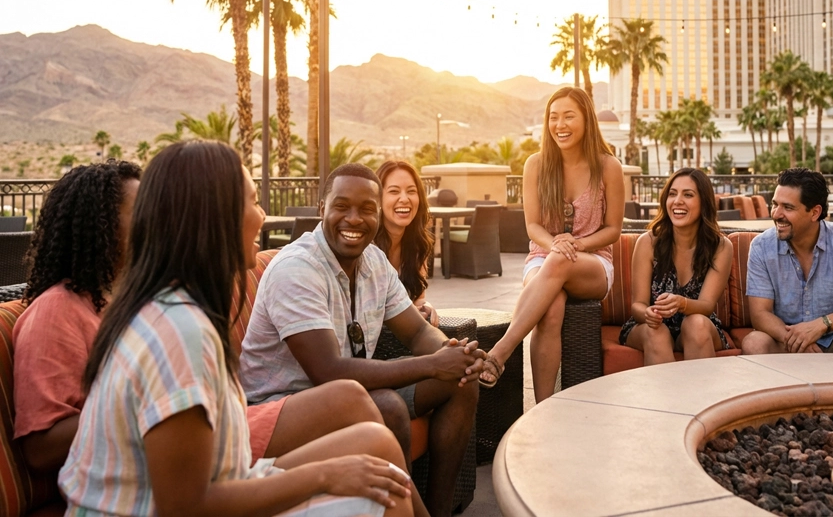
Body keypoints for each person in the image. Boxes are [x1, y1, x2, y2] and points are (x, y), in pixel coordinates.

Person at [60, 141, 414, 517]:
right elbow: (186, 507)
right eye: (253, 201)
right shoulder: (180, 333)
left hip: (228, 479)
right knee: (382, 493)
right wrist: (325, 475)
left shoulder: (174, 306)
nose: (262, 215)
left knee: (376, 443)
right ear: (214, 216)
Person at [239, 163, 484, 517]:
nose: (354, 219)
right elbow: (328, 371)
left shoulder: (373, 261)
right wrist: (433, 364)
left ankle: (439, 510)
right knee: (386, 406)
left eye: (367, 209)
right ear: (322, 209)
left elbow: (416, 331)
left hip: (351, 390)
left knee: (461, 383)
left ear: (379, 214)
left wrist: (452, 354)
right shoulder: (298, 269)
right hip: (285, 407)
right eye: (342, 206)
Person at [479, 87, 624, 401]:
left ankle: (502, 350)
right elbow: (533, 227)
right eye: (554, 117)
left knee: (558, 262)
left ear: (586, 119)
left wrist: (577, 245)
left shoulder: (607, 166)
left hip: (593, 262)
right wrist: (556, 245)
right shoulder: (535, 165)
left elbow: (613, 229)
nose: (560, 124)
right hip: (542, 257)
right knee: (552, 303)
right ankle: (543, 407)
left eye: (569, 116)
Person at [13, 160, 140, 473]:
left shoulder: (129, 300)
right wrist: (147, 403)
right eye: (143, 213)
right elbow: (41, 448)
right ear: (100, 226)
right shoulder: (56, 310)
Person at [741, 167, 833, 355]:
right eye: (775, 204)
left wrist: (822, 324)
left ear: (814, 212)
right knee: (754, 343)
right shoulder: (761, 247)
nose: (776, 214)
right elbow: (760, 314)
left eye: (788, 207)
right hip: (787, 338)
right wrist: (799, 340)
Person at [618, 168, 732, 365]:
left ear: (704, 202)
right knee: (657, 332)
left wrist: (681, 303)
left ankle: (704, 396)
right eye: (672, 194)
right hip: (652, 325)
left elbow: (706, 306)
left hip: (698, 322)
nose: (677, 201)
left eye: (688, 195)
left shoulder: (721, 247)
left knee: (696, 324)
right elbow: (638, 305)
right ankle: (665, 397)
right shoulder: (648, 242)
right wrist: (647, 314)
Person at [374, 161, 438, 327]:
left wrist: (426, 307)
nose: (404, 199)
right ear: (378, 198)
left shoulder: (417, 244)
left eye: (411, 191)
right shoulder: (367, 247)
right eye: (394, 191)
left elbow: (418, 300)